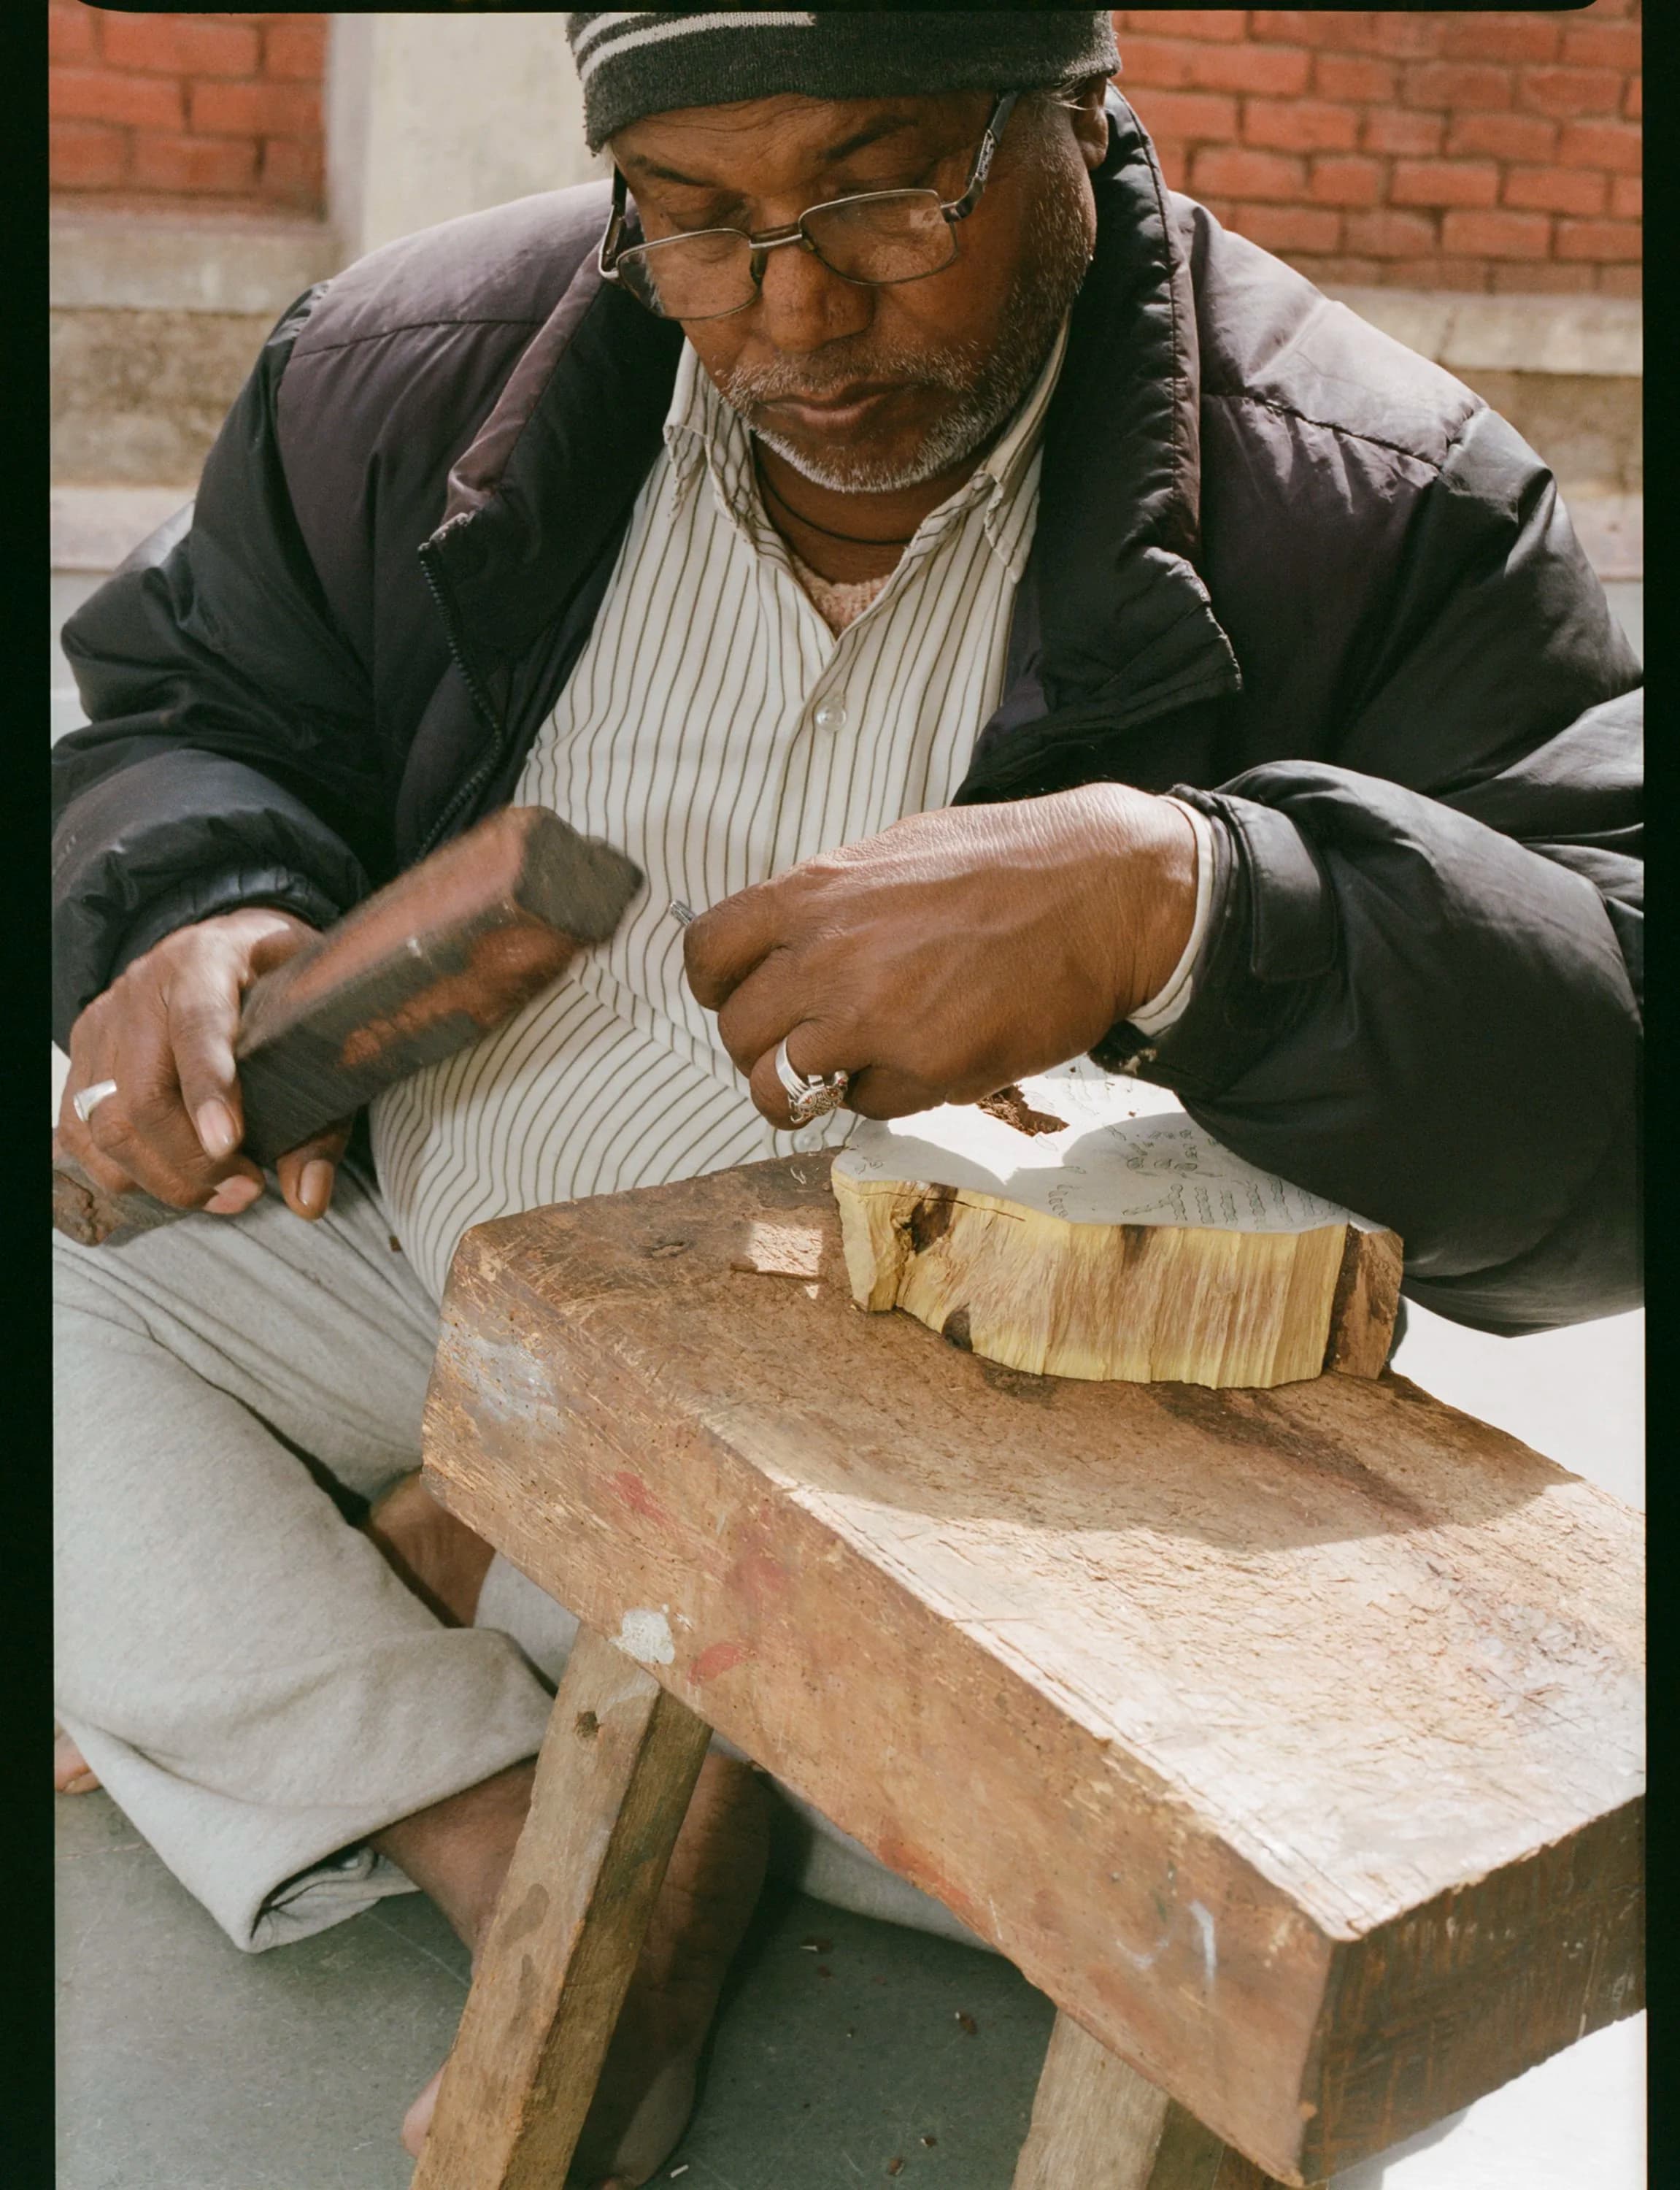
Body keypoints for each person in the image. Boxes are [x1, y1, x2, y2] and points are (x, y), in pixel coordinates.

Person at [51, 12, 1641, 2182]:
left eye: (892, 193)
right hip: (432, 1268)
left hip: (974, 1456)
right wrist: (201, 911)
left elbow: (1619, 1098)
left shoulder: (1377, 498)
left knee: (1296, 1906)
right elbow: (191, 699)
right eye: (696, 219)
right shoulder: (412, 361)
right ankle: (527, 1821)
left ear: (1072, 116)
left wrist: (1198, 903)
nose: (795, 308)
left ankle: (495, 1643)